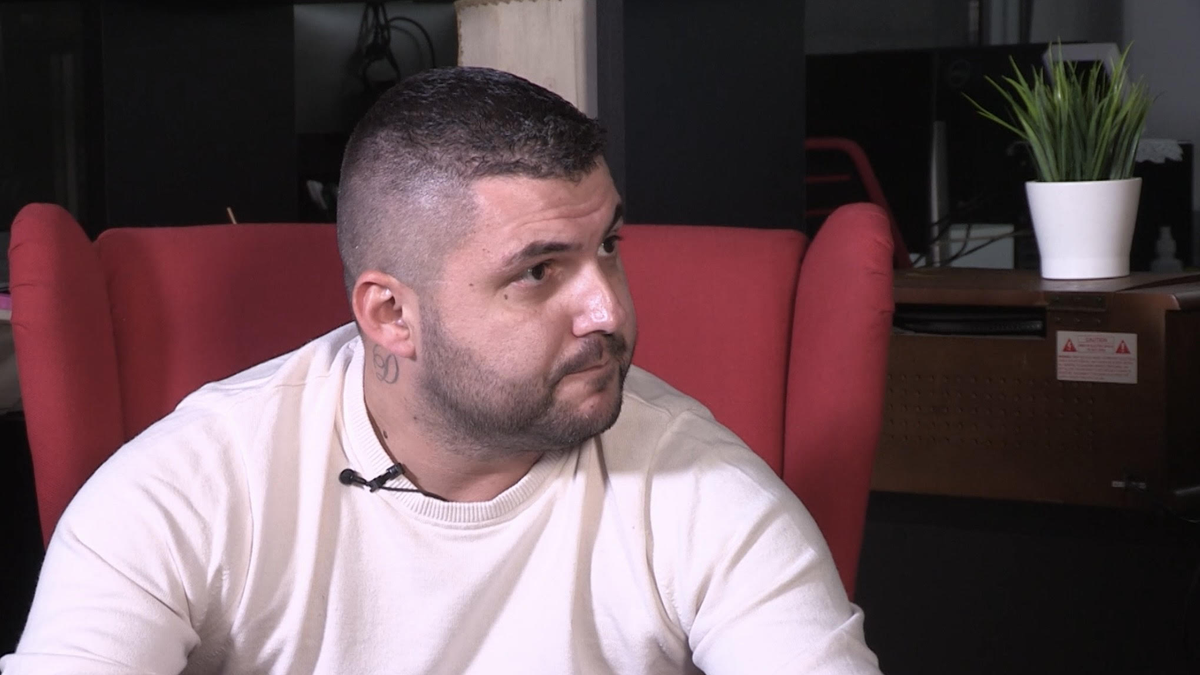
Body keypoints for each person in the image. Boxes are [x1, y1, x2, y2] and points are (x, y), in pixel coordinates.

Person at [0, 67, 882, 675]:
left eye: (608, 245)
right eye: (539, 270)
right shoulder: (185, 488)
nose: (608, 311)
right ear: (391, 315)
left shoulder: (706, 488)